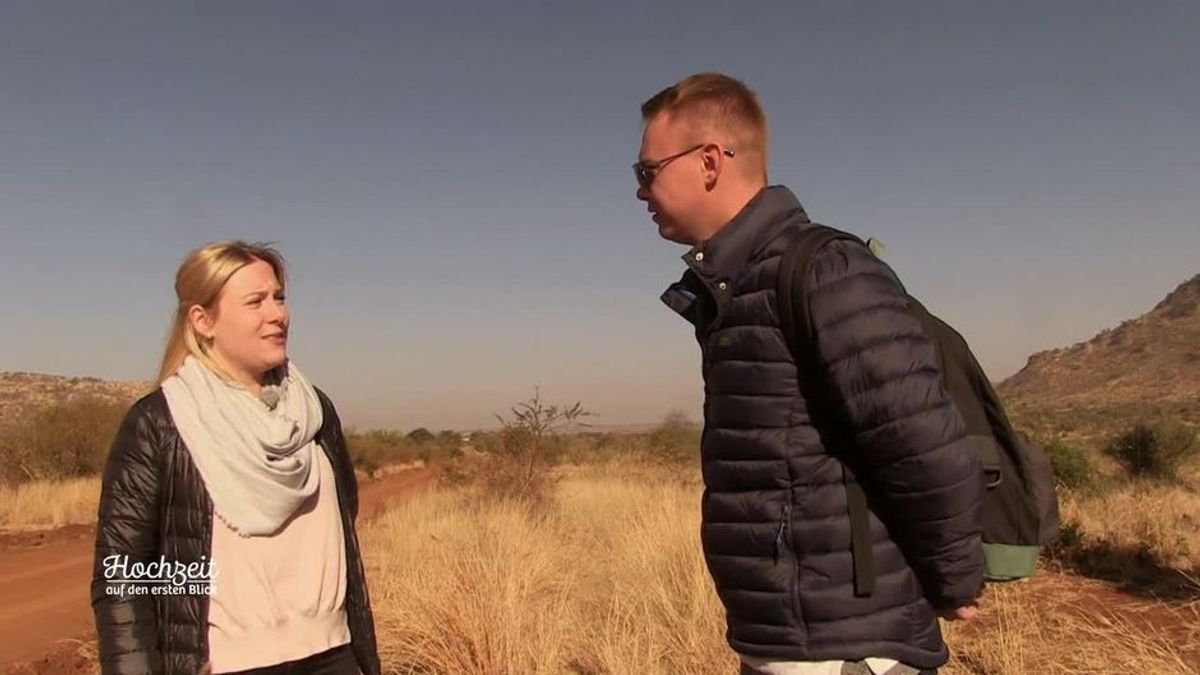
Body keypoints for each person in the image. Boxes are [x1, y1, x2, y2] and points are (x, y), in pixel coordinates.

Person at [635, 72, 985, 674]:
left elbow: (922, 440)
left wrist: (954, 577)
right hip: (790, 639)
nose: (640, 192)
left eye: (647, 172)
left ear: (711, 162)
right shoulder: (740, 285)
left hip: (848, 646)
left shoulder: (823, 270)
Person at [91, 241, 380, 675]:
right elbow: (123, 576)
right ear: (203, 321)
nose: (277, 314)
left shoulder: (316, 412)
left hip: (335, 653)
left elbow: (345, 519)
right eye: (255, 302)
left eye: (279, 297)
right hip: (229, 664)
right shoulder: (161, 422)